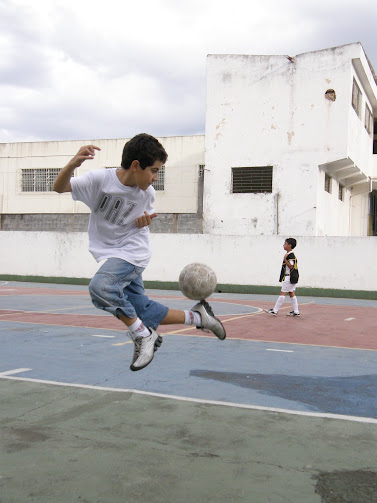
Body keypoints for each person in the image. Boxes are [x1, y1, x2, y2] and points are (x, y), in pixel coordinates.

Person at [53, 133, 226, 371]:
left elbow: (140, 220)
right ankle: (199, 317)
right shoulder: (99, 181)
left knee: (101, 287)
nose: (155, 177)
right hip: (111, 252)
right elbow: (59, 187)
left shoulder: (147, 194)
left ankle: (144, 335)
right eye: (154, 171)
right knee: (140, 309)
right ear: (135, 166)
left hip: (133, 252)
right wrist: (74, 164)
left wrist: (143, 222)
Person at [265, 238, 300, 317]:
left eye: (285, 244)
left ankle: (275, 310)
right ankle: (296, 311)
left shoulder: (290, 255)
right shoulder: (290, 254)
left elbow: (291, 266)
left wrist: (285, 259)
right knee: (291, 293)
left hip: (289, 277)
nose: (283, 245)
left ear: (289, 245)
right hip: (292, 277)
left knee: (282, 293)